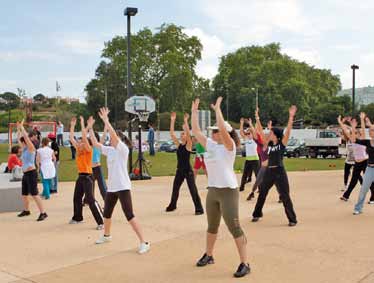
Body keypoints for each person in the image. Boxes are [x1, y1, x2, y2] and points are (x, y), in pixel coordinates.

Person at [192, 97, 250, 278]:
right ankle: (209, 255)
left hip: (228, 191)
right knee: (212, 226)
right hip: (213, 191)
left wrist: (218, 110)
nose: (212, 133)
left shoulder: (229, 146)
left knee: (235, 227)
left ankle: (245, 263)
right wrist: (194, 112)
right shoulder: (210, 144)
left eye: (215, 131)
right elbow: (195, 131)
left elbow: (224, 132)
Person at [88, 109, 150, 254]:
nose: (111, 139)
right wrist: (90, 128)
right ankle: (106, 235)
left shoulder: (123, 149)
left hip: (122, 187)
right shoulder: (110, 151)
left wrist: (106, 120)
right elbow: (96, 144)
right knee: (107, 214)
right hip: (112, 188)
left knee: (129, 215)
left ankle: (144, 242)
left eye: (113, 137)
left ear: (119, 139)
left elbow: (114, 137)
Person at [252, 105, 298, 226]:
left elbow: (287, 131)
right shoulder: (268, 145)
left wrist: (291, 117)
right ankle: (257, 214)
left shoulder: (281, 144)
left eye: (271, 132)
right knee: (262, 192)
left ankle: (292, 219)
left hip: (280, 172)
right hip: (269, 172)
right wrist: (257, 118)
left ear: (276, 135)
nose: (269, 134)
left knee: (285, 196)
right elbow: (261, 132)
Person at [165, 112, 204, 215]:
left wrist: (186, 122)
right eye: (182, 134)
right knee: (175, 188)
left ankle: (199, 208)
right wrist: (172, 120)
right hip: (180, 170)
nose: (182, 135)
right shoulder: (179, 145)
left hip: (188, 171)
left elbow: (189, 133)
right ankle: (172, 205)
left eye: (184, 134)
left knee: (192, 189)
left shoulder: (188, 145)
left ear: (187, 137)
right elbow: (172, 134)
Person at [69, 116, 104, 229]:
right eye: (79, 142)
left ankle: (101, 221)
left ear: (86, 143)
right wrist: (73, 126)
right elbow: (71, 138)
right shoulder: (79, 149)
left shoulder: (89, 150)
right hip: (80, 177)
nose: (79, 143)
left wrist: (85, 124)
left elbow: (84, 136)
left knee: (90, 199)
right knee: (77, 198)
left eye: (82, 142)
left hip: (89, 177)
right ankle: (77, 218)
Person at [338, 114, 374, 206]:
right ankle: (346, 196)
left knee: (369, 180)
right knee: (354, 180)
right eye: (354, 133)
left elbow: (362, 128)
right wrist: (340, 122)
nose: (355, 134)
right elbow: (346, 130)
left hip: (365, 162)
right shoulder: (352, 140)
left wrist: (361, 119)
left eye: (357, 133)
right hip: (357, 163)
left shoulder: (362, 139)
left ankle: (373, 197)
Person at [246, 111, 282, 203]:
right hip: (263, 166)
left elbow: (261, 131)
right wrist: (252, 123)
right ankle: (252, 193)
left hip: (270, 166)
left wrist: (257, 118)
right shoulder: (259, 143)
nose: (263, 136)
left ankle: (281, 196)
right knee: (258, 180)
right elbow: (256, 131)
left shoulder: (267, 143)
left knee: (276, 182)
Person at [16, 120, 48, 221]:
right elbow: (19, 139)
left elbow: (26, 138)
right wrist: (18, 129)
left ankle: (43, 213)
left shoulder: (31, 148)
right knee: (24, 194)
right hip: (25, 174)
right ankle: (26, 210)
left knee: (34, 194)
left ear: (26, 142)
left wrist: (22, 128)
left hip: (31, 174)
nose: (21, 143)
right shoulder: (25, 149)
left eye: (23, 142)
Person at [239, 118, 260, 191]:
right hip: (248, 159)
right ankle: (241, 187)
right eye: (247, 134)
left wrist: (250, 124)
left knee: (258, 175)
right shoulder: (246, 139)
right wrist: (241, 123)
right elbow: (241, 133)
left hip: (255, 159)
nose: (247, 135)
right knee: (245, 174)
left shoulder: (254, 140)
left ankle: (260, 189)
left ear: (252, 134)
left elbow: (254, 131)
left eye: (249, 133)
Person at [91, 130, 107, 201]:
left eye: (92, 137)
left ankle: (107, 201)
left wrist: (106, 127)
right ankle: (88, 200)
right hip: (90, 169)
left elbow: (103, 137)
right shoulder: (89, 146)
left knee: (102, 186)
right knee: (90, 186)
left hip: (97, 168)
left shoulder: (98, 145)